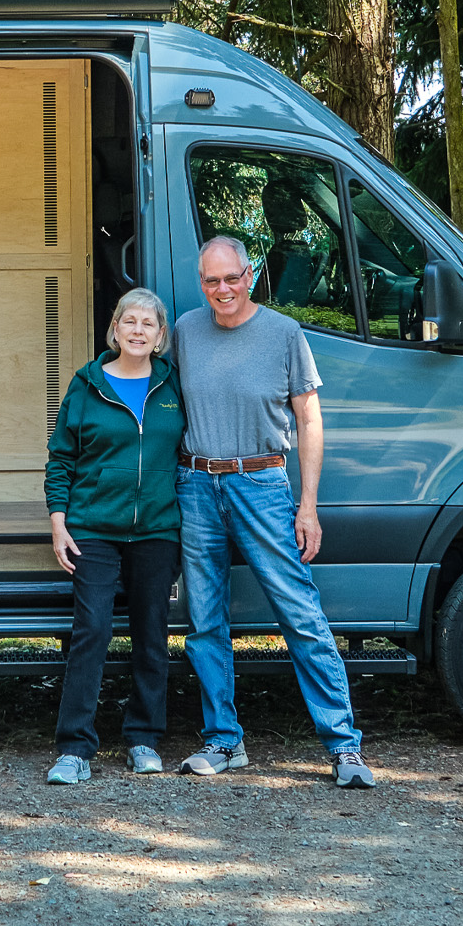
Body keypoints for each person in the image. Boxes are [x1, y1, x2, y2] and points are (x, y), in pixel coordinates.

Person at [172, 235, 375, 789]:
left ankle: (343, 747)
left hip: (262, 483)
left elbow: (310, 420)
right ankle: (223, 741)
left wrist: (307, 506)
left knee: (299, 614)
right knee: (205, 620)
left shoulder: (284, 333)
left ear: (250, 274)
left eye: (231, 278)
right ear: (202, 284)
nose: (223, 290)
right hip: (196, 484)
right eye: (211, 281)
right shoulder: (187, 331)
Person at [43, 288, 184, 783]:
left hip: (157, 530)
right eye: (130, 321)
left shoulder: (172, 387)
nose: (138, 330)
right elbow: (61, 458)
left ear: (161, 335)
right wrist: (59, 522)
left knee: (152, 634)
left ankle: (143, 738)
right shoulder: (87, 385)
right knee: (92, 632)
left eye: (149, 323)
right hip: (93, 529)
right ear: (116, 329)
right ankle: (74, 748)